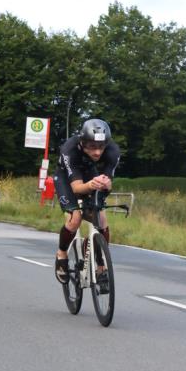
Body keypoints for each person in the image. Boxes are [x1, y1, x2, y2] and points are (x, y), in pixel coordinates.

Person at [54, 118, 120, 284]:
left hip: (90, 173)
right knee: (75, 219)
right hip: (67, 178)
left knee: (102, 219)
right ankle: (61, 254)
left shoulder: (112, 151)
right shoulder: (70, 149)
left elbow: (108, 180)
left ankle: (100, 266)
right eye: (92, 147)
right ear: (82, 143)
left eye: (101, 147)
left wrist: (105, 183)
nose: (97, 152)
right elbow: (76, 188)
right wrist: (91, 185)